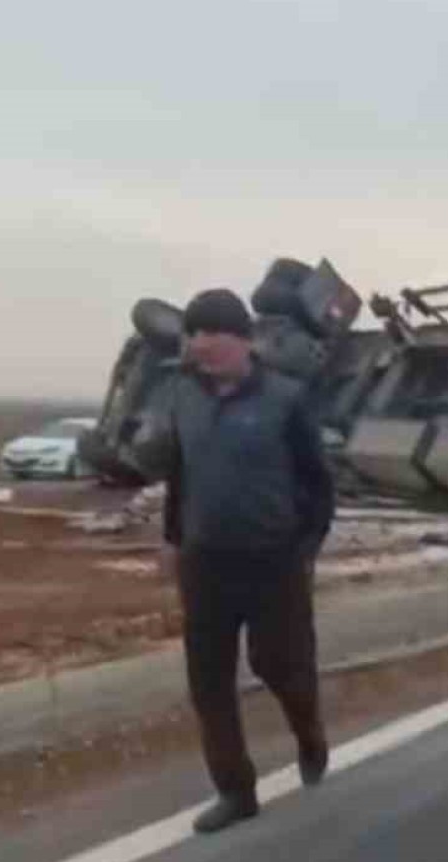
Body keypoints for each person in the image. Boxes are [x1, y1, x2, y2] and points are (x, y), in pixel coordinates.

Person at [134, 289, 335, 834]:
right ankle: (235, 791)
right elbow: (181, 476)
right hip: (205, 563)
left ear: (241, 340)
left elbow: (318, 485)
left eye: (210, 333)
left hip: (274, 562)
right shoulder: (182, 395)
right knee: (209, 682)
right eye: (192, 333)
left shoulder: (285, 399)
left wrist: (305, 551)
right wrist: (173, 539)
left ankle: (309, 732)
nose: (198, 343)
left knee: (279, 665)